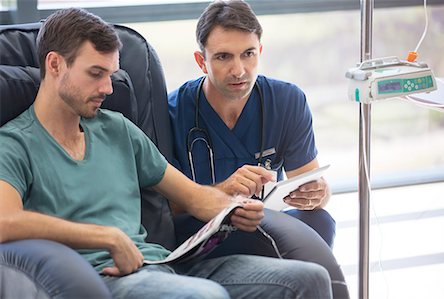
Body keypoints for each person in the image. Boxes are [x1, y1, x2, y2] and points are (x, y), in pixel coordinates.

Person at [0, 7, 333, 299]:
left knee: (307, 279)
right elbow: (4, 220)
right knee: (204, 296)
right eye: (96, 74)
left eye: (112, 74)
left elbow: (195, 198)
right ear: (55, 64)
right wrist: (108, 237)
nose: (108, 88)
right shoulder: (14, 144)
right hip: (106, 277)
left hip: (164, 264)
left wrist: (235, 207)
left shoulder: (117, 129)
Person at [168, 0, 350, 298]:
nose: (238, 70)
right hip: (205, 237)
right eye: (223, 57)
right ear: (202, 61)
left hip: (263, 226)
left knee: (319, 220)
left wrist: (317, 194)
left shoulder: (286, 101)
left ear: (260, 52)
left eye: (248, 54)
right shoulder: (173, 112)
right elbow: (159, 210)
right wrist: (221, 191)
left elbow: (311, 186)